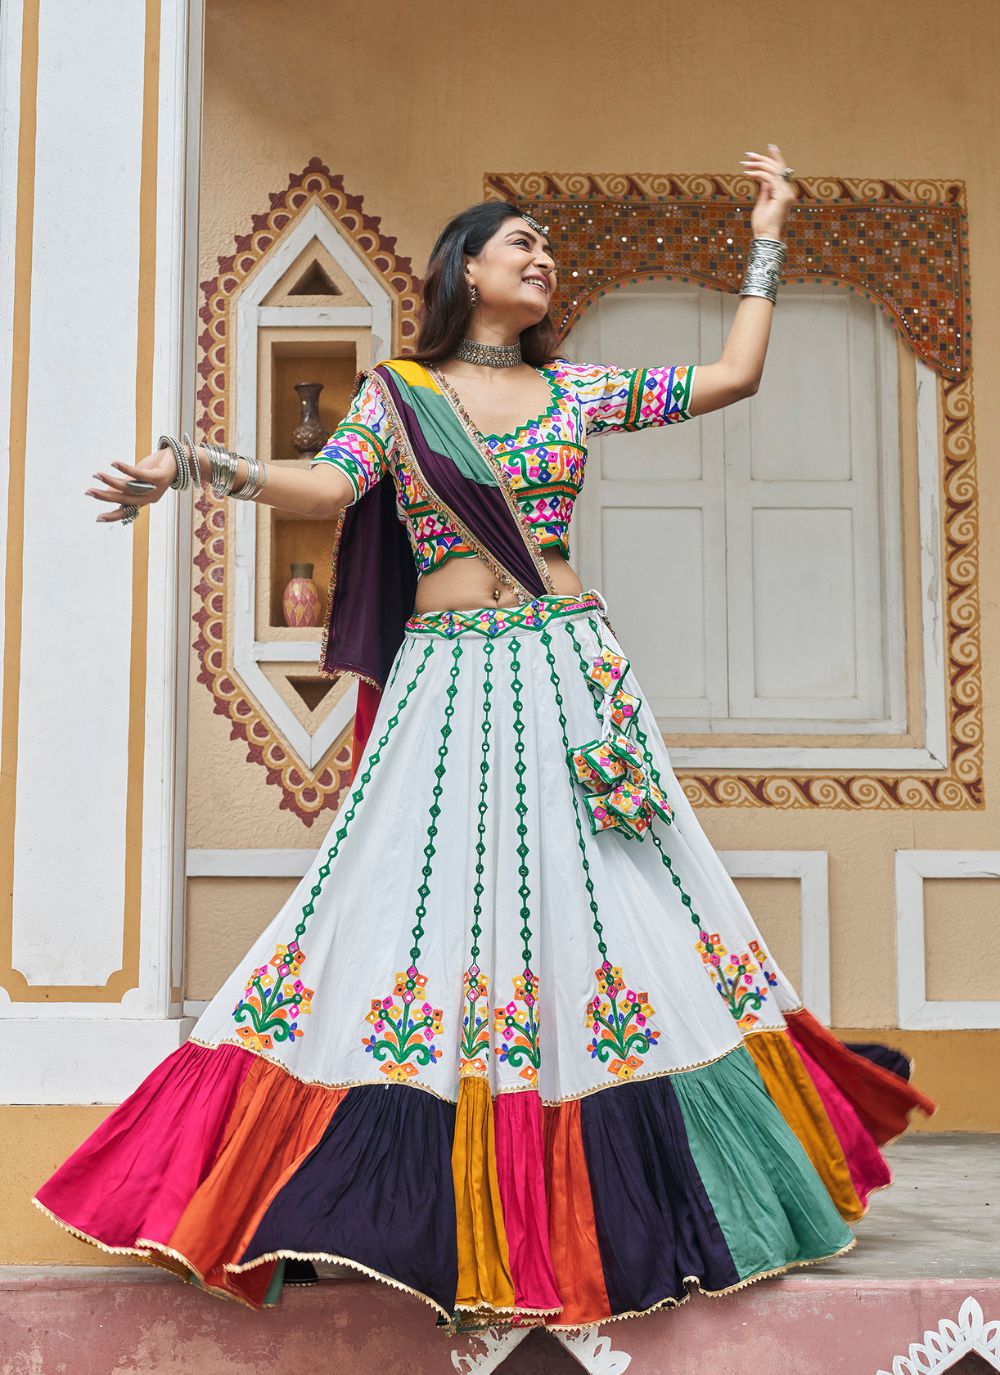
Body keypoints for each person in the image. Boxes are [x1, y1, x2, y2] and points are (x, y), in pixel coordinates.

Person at [39, 144, 936, 1336]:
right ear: (465, 269)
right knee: (392, 908)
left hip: (571, 674)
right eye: (521, 244)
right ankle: (375, 1192)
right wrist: (188, 467)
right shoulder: (400, 395)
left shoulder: (577, 394)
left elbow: (731, 376)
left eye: (547, 250)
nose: (543, 260)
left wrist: (768, 235)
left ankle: (648, 1193)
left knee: (618, 912)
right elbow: (328, 487)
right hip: (447, 684)